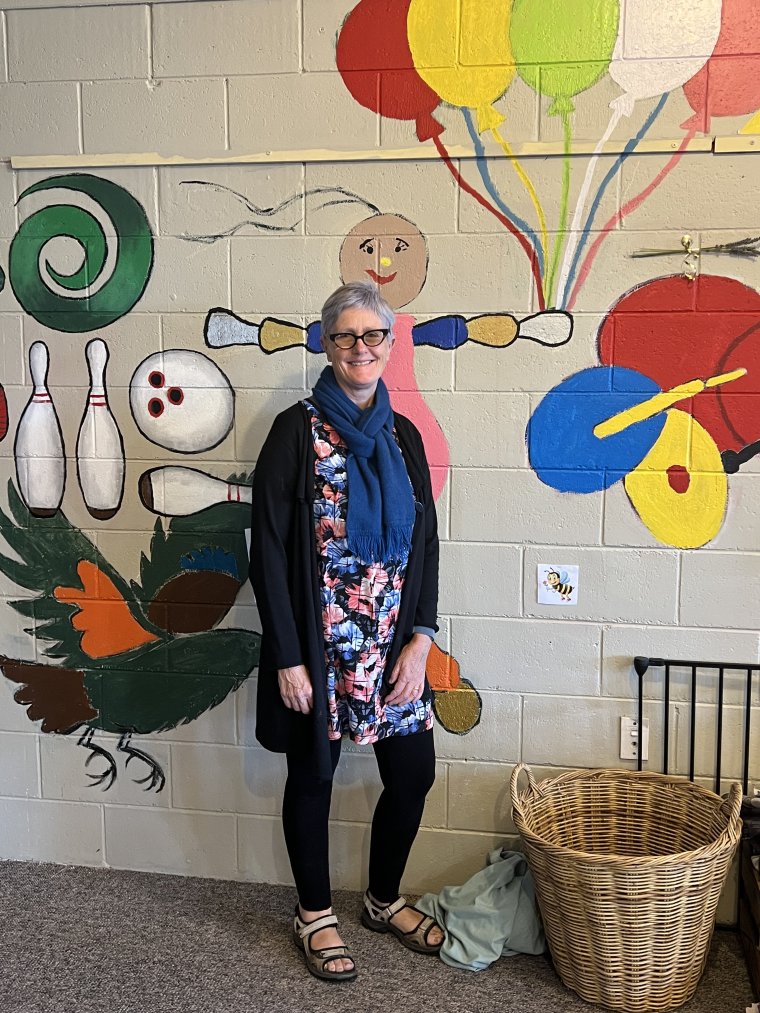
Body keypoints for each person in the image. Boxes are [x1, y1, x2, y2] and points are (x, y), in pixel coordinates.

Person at [250, 280, 444, 982]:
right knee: (313, 774)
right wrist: (289, 656)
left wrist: (421, 637)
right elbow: (267, 549)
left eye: (373, 336)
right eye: (345, 336)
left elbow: (425, 543)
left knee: (413, 772)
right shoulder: (294, 432)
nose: (360, 348)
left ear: (390, 346)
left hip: (391, 646)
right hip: (320, 645)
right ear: (325, 343)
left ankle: (382, 900)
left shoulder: (404, 435)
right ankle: (314, 914)